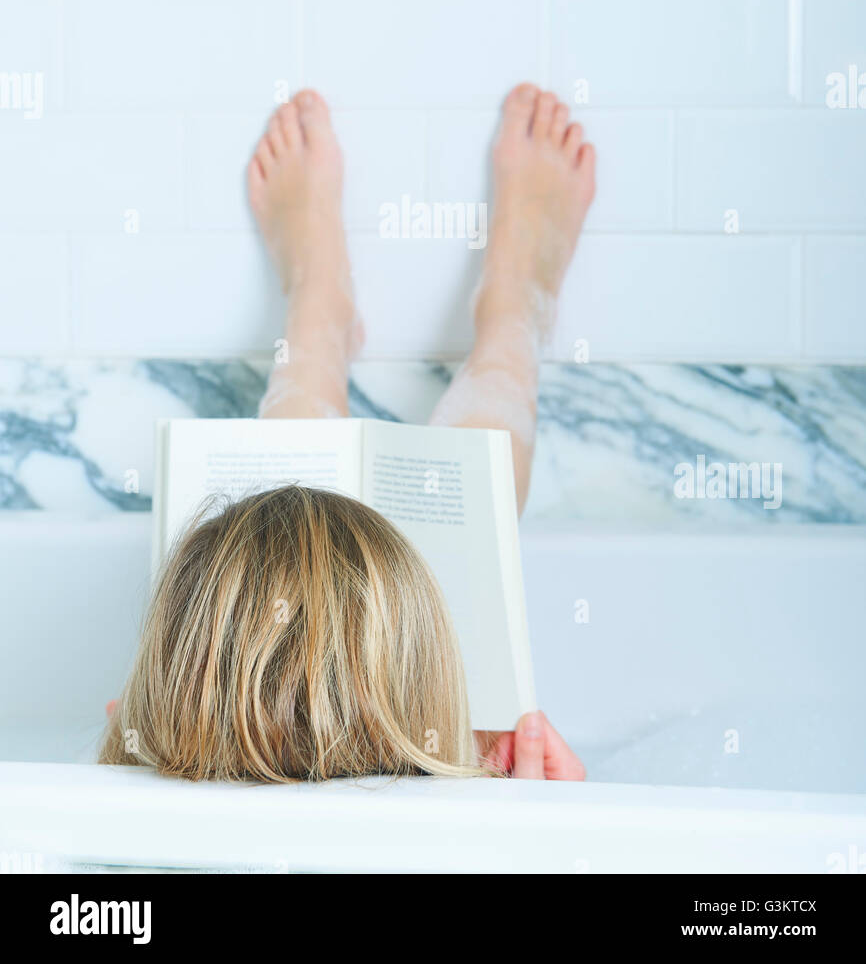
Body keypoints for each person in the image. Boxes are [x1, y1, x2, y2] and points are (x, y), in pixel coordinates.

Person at [101, 84, 595, 782]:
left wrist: (124, 778)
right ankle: (512, 306)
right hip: (443, 757)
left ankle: (319, 312)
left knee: (285, 561)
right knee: (426, 620)